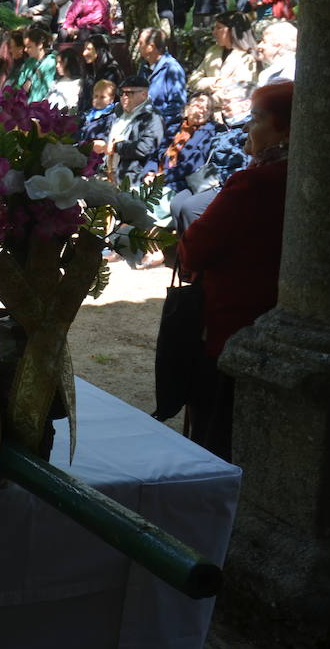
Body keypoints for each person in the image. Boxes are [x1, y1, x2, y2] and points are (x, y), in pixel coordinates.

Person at [178, 82, 293, 461]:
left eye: (257, 119)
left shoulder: (255, 183)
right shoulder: (294, 178)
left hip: (232, 327)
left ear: (287, 129)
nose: (247, 129)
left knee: (216, 440)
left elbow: (195, 249)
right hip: (274, 322)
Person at [95, 74, 163, 185]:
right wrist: (101, 142)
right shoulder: (118, 111)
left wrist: (117, 147)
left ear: (144, 94)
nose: (124, 97)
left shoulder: (153, 117)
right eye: (122, 93)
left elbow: (145, 147)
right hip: (104, 171)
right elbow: (104, 131)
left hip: (130, 177)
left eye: (130, 93)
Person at [188, 12, 259, 115]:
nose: (214, 32)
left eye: (219, 28)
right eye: (214, 28)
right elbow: (193, 81)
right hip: (205, 114)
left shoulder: (247, 57)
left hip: (232, 115)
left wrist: (205, 101)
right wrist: (215, 82)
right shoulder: (213, 51)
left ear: (232, 30)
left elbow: (240, 92)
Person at [137, 29, 187, 147]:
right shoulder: (144, 67)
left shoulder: (172, 69)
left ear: (151, 47)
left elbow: (177, 106)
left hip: (163, 131)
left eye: (140, 43)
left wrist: (155, 124)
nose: (138, 47)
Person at [78, 34, 123, 113]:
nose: (84, 53)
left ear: (99, 50)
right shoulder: (90, 70)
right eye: (84, 49)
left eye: (88, 49)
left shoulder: (111, 71)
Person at [14, 26, 57, 102]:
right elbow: (19, 84)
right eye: (25, 46)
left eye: (29, 47)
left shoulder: (50, 62)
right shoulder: (29, 61)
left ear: (40, 45)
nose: (25, 50)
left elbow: (47, 91)